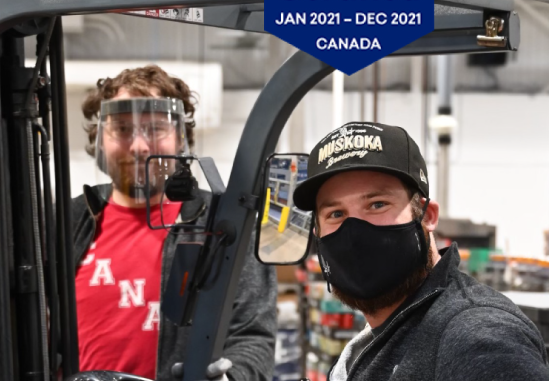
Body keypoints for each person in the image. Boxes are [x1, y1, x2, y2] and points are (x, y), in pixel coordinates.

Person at [292, 122, 549, 381]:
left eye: (377, 204)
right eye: (336, 214)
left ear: (428, 216)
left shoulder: (478, 338)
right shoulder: (385, 331)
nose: (354, 233)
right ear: (317, 234)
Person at [72, 65, 276, 381]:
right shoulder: (70, 222)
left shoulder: (224, 224)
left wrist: (230, 378)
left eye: (155, 129)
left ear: (181, 137)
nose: (139, 147)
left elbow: (253, 335)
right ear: (99, 139)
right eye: (122, 129)